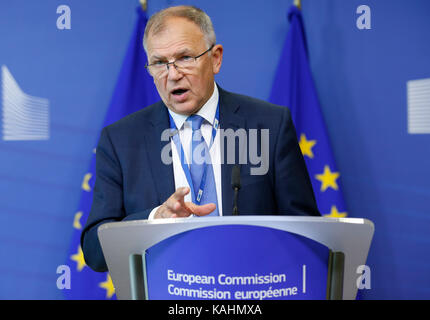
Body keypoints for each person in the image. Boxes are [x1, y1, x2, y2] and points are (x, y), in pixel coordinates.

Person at [81, 5, 320, 272]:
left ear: (215, 59)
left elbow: (306, 234)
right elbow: (94, 250)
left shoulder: (269, 125)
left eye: (184, 57)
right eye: (160, 63)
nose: (172, 75)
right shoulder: (120, 140)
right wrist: (153, 219)